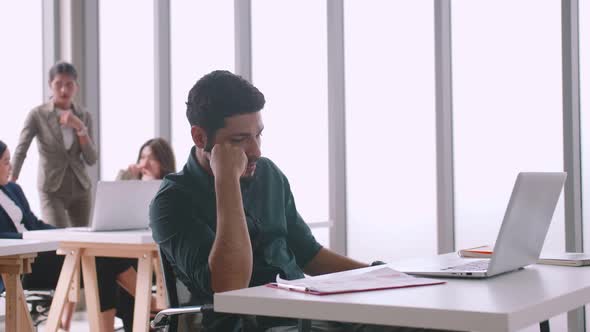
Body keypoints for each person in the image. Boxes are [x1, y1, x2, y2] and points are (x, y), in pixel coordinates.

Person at [149, 70, 452, 332]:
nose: (256, 151)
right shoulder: (172, 202)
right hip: (253, 325)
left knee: (433, 324)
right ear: (201, 138)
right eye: (239, 141)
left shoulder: (268, 175)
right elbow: (230, 286)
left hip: (304, 313)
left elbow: (309, 255)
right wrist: (226, 181)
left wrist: (382, 277)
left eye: (259, 136)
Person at [0, 140, 154, 332]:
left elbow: (34, 223)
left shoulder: (14, 190)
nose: (11, 166)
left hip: (43, 253)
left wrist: (65, 232)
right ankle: (153, 306)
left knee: (106, 260)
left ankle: (140, 315)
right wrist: (29, 239)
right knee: (105, 259)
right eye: (6, 161)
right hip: (23, 264)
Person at [10, 61, 96, 228]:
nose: (64, 90)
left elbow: (91, 158)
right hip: (51, 188)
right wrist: (10, 181)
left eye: (69, 84)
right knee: (57, 238)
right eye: (58, 84)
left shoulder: (84, 116)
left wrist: (80, 127)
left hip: (80, 187)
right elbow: (21, 149)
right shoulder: (38, 115)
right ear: (50, 85)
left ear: (76, 86)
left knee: (83, 242)